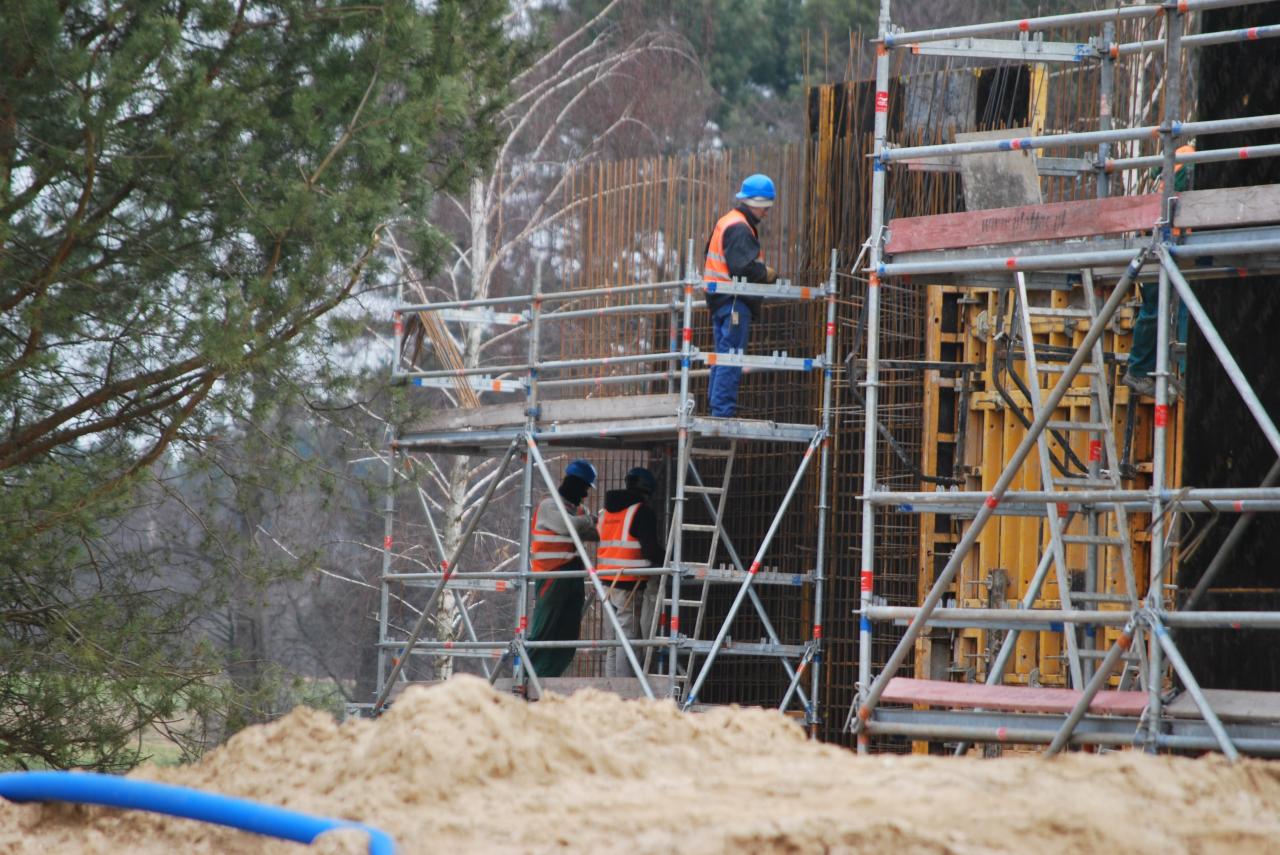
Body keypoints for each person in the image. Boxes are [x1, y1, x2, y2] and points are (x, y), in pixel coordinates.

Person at [704, 174, 779, 418]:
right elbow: (742, 267)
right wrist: (765, 274)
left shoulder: (727, 221)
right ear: (755, 203)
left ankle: (717, 408)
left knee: (723, 355)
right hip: (734, 300)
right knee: (731, 356)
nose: (767, 213)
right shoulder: (739, 228)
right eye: (766, 207)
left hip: (720, 300)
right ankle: (722, 412)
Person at [1124, 142, 1195, 399]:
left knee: (1168, 306)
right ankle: (1148, 370)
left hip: (1163, 239)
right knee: (1164, 305)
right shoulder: (1195, 158)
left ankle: (1146, 370)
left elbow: (1157, 173)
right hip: (1166, 241)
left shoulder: (1183, 153)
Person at [526, 459, 598, 678]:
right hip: (552, 574)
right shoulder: (549, 505)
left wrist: (591, 521)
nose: (585, 494)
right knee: (546, 627)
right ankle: (531, 674)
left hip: (572, 576)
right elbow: (570, 527)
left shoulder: (577, 510)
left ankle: (550, 674)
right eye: (584, 487)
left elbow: (593, 534)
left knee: (568, 629)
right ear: (575, 483)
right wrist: (591, 520)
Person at [596, 466, 663, 678]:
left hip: (605, 583)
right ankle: (627, 693)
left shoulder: (606, 512)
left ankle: (611, 693)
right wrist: (668, 560)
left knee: (613, 642)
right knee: (628, 640)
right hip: (629, 584)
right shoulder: (641, 512)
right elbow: (650, 549)